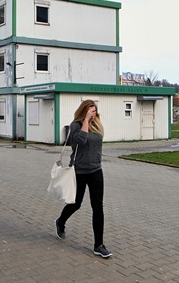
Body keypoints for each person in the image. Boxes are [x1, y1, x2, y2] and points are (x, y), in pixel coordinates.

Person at [55, 99, 112, 258]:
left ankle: (98, 245)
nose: (94, 114)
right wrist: (85, 121)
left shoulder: (97, 125)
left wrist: (91, 121)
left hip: (96, 170)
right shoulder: (75, 125)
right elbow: (80, 141)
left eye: (95, 112)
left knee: (98, 206)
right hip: (79, 171)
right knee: (76, 203)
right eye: (91, 112)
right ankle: (60, 222)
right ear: (84, 111)